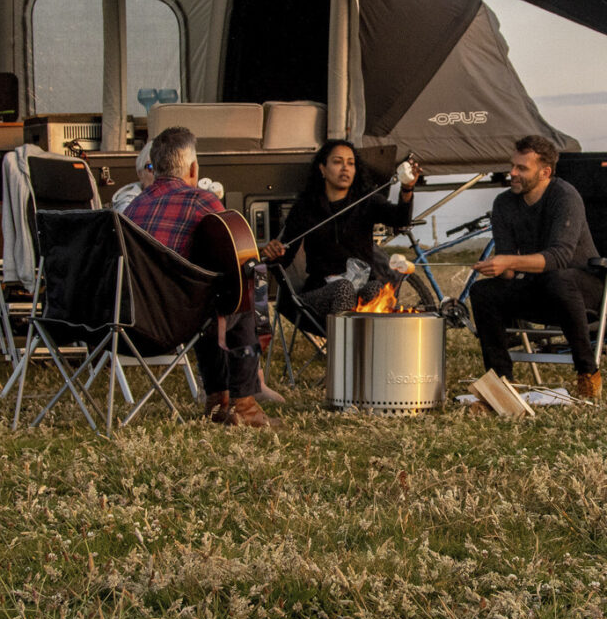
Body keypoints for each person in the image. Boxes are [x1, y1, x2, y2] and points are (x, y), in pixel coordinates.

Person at [124, 126, 275, 428]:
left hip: (130, 323)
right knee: (245, 286)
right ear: (193, 168)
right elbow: (238, 256)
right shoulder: (199, 200)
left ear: (154, 167)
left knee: (208, 301)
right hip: (173, 326)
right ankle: (244, 403)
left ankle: (217, 400)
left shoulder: (133, 207)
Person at [469, 134, 605, 400]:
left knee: (557, 278)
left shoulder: (565, 196)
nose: (512, 173)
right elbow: (509, 268)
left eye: (522, 168)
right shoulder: (504, 204)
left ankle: (588, 372)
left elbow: (559, 257)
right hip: (539, 287)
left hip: (583, 289)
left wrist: (509, 262)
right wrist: (497, 267)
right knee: (483, 292)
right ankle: (501, 383)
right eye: (512, 165)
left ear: (545, 172)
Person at [263, 140, 421, 314]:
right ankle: (344, 332)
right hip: (320, 292)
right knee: (343, 288)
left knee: (375, 288)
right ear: (322, 169)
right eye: (338, 162)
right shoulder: (306, 207)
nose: (345, 168)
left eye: (350, 163)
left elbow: (400, 219)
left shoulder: (366, 201)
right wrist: (274, 253)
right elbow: (285, 256)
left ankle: (367, 333)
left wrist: (407, 189)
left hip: (361, 288)